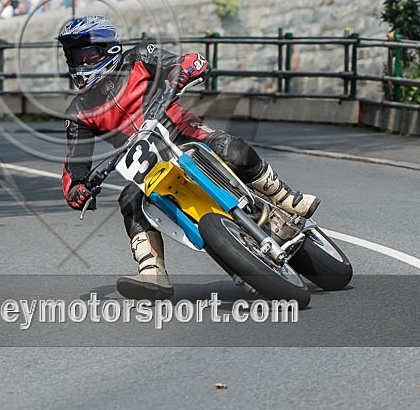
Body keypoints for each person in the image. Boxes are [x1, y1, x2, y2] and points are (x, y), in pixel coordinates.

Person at [57, 16, 320, 300]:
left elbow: (187, 60)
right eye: (75, 56)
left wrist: (183, 71)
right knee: (130, 199)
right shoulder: (79, 111)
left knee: (230, 148)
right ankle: (151, 270)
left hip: (183, 133)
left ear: (109, 49)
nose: (81, 63)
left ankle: (284, 197)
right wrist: (77, 189)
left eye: (87, 54)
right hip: (148, 168)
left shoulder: (140, 57)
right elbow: (75, 162)